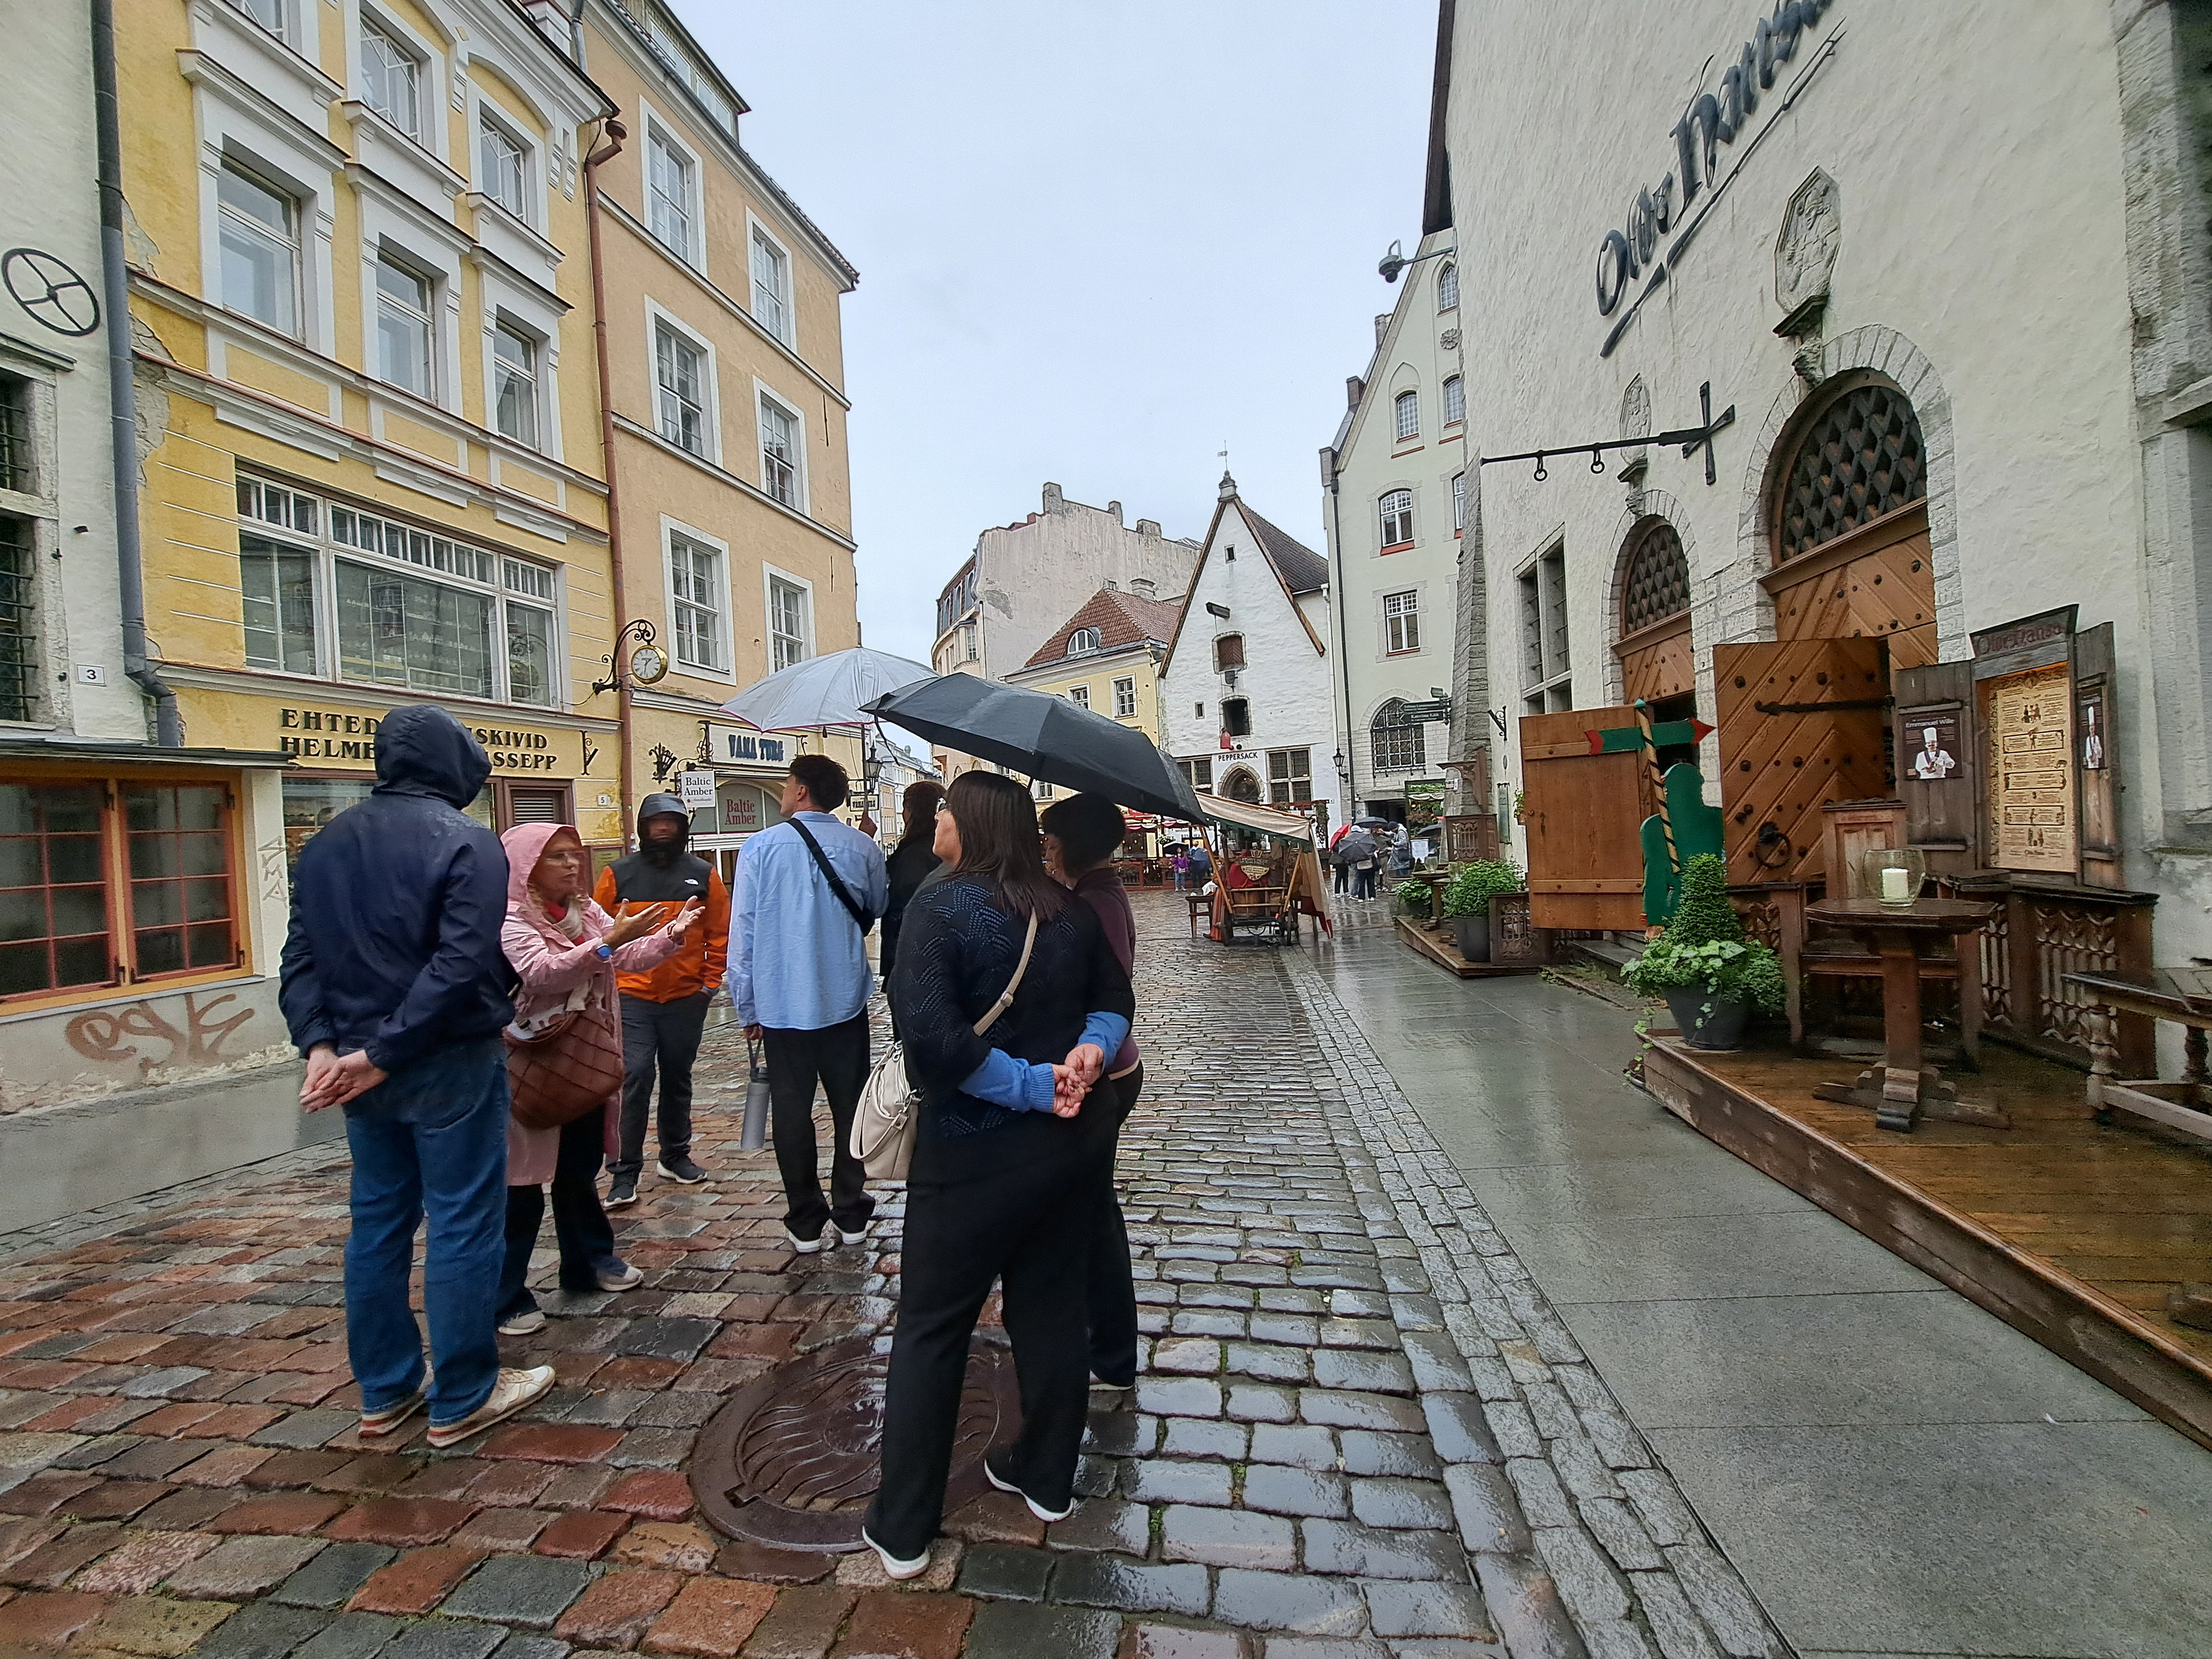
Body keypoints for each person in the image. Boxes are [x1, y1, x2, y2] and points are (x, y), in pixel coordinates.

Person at [863, 773, 1133, 1578]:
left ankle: (904, 1526)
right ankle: (1046, 1479)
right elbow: (1115, 999)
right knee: (1051, 1310)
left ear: (971, 823)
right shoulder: (1067, 908)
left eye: (945, 810)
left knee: (933, 1326)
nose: (937, 821)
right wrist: (1089, 1053)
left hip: (974, 1157)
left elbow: (934, 1042)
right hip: (1071, 1148)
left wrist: (1032, 1084)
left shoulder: (937, 906)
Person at [279, 705, 554, 1450]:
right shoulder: (465, 839)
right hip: (444, 1057)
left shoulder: (327, 843)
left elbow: (300, 957)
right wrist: (382, 1051)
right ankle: (464, 1393)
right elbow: (459, 963)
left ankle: (387, 1389)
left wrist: (322, 1046)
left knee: (378, 1223)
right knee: (463, 1220)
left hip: (361, 1065)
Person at [497, 824, 701, 1335]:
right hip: (531, 1062)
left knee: (579, 1166)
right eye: (557, 857)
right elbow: (542, 972)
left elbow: (626, 955)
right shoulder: (509, 919)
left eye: (575, 855)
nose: (572, 864)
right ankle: (506, 1293)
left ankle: (588, 1261)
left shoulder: (584, 911)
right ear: (527, 868)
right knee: (521, 1181)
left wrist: (669, 937)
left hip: (584, 1055)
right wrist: (608, 944)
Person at [731, 754, 890, 1251]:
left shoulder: (759, 848)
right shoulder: (862, 846)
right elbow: (878, 906)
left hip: (781, 1003)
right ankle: (850, 1211)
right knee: (850, 1109)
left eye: (787, 784)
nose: (783, 791)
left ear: (801, 790)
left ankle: (804, 1220)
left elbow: (744, 933)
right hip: (843, 1000)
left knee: (792, 1113)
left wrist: (746, 1005)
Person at [1039, 794, 1143, 1390]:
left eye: (1052, 844)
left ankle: (1110, 1352)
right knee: (1089, 1206)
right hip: (1109, 1067)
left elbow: (1101, 989)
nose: (1048, 854)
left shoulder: (1093, 902)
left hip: (1104, 1072)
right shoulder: (1094, 892)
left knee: (1094, 1212)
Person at [594, 792, 731, 1207]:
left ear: (683, 829)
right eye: (657, 824)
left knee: (677, 1075)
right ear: (644, 828)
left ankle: (675, 1156)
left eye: (671, 823)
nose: (664, 830)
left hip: (686, 995)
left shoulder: (703, 875)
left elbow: (720, 933)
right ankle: (624, 1170)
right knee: (635, 1074)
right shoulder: (617, 875)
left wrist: (709, 983)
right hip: (631, 993)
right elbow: (597, 931)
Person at [879, 779, 947, 995]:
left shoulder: (913, 856)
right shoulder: (943, 849)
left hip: (914, 962)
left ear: (910, 813)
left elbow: (904, 913)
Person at [1328, 823, 1352, 894]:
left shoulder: (1342, 844)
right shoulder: (1337, 845)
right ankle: (1337, 892)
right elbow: (1341, 851)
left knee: (1345, 877)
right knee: (1339, 877)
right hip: (1339, 862)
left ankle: (1346, 890)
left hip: (1344, 862)